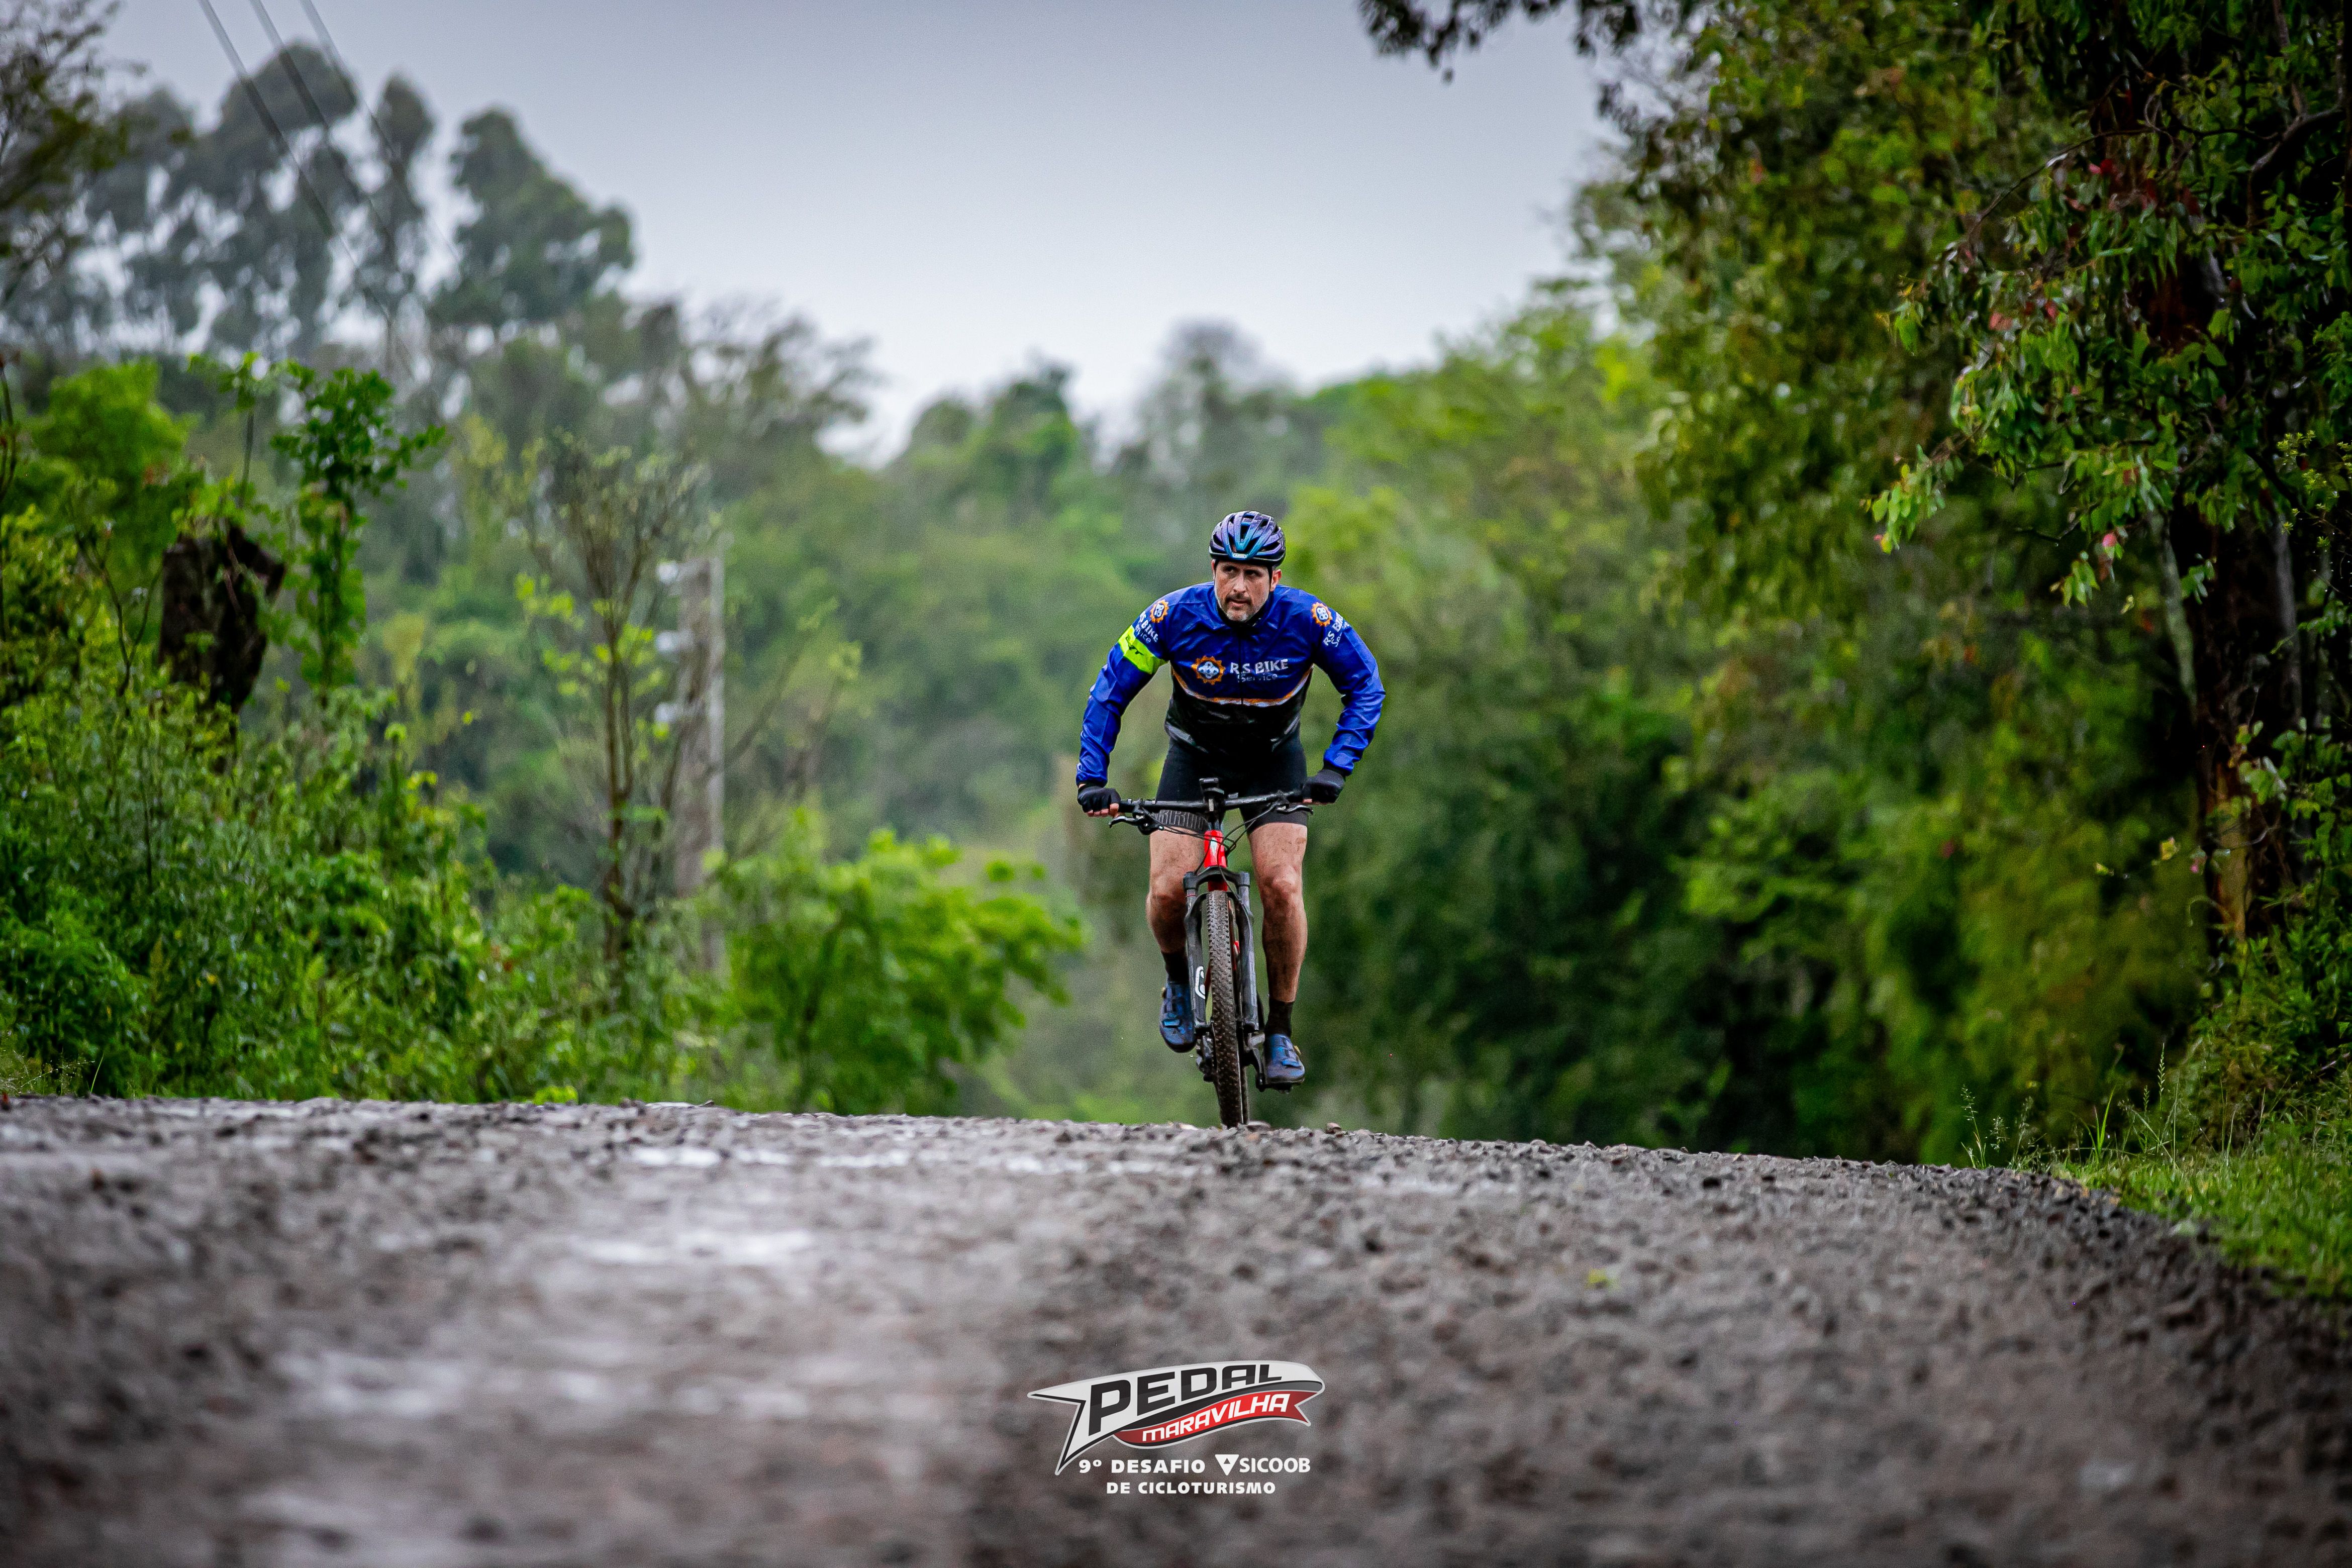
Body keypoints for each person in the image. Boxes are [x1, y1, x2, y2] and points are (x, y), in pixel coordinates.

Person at [1074, 510, 1384, 1088]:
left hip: (1274, 761)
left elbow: (1366, 685)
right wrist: (1092, 777)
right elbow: (1110, 689)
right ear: (1213, 570)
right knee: (1168, 889)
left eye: (1253, 574)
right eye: (1228, 571)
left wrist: (1336, 767)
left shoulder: (1308, 620)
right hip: (1194, 759)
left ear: (1276, 578)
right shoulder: (1172, 617)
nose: (1239, 586)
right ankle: (1177, 981)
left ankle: (1281, 1029)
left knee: (1282, 885)